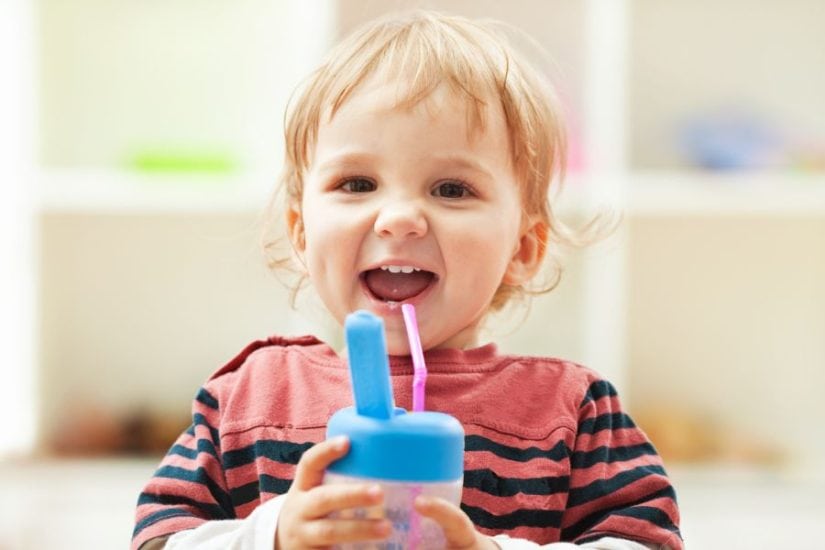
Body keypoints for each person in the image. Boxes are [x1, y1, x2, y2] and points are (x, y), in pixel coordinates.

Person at [132, 10, 682, 550]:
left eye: (450, 189)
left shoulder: (571, 414)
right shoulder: (247, 400)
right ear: (301, 234)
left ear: (522, 248)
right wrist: (270, 536)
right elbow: (157, 540)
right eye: (356, 182)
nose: (398, 217)